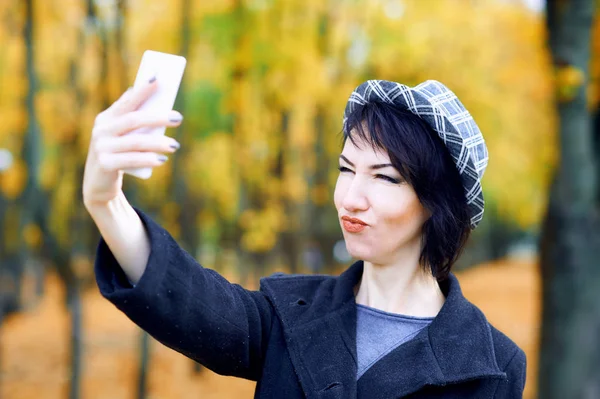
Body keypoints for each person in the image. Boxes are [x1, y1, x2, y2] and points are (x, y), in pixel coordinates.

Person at [83, 78, 526, 398]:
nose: (351, 198)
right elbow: (189, 298)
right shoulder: (289, 316)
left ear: (434, 201)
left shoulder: (492, 368)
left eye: (385, 178)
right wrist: (107, 202)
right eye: (346, 169)